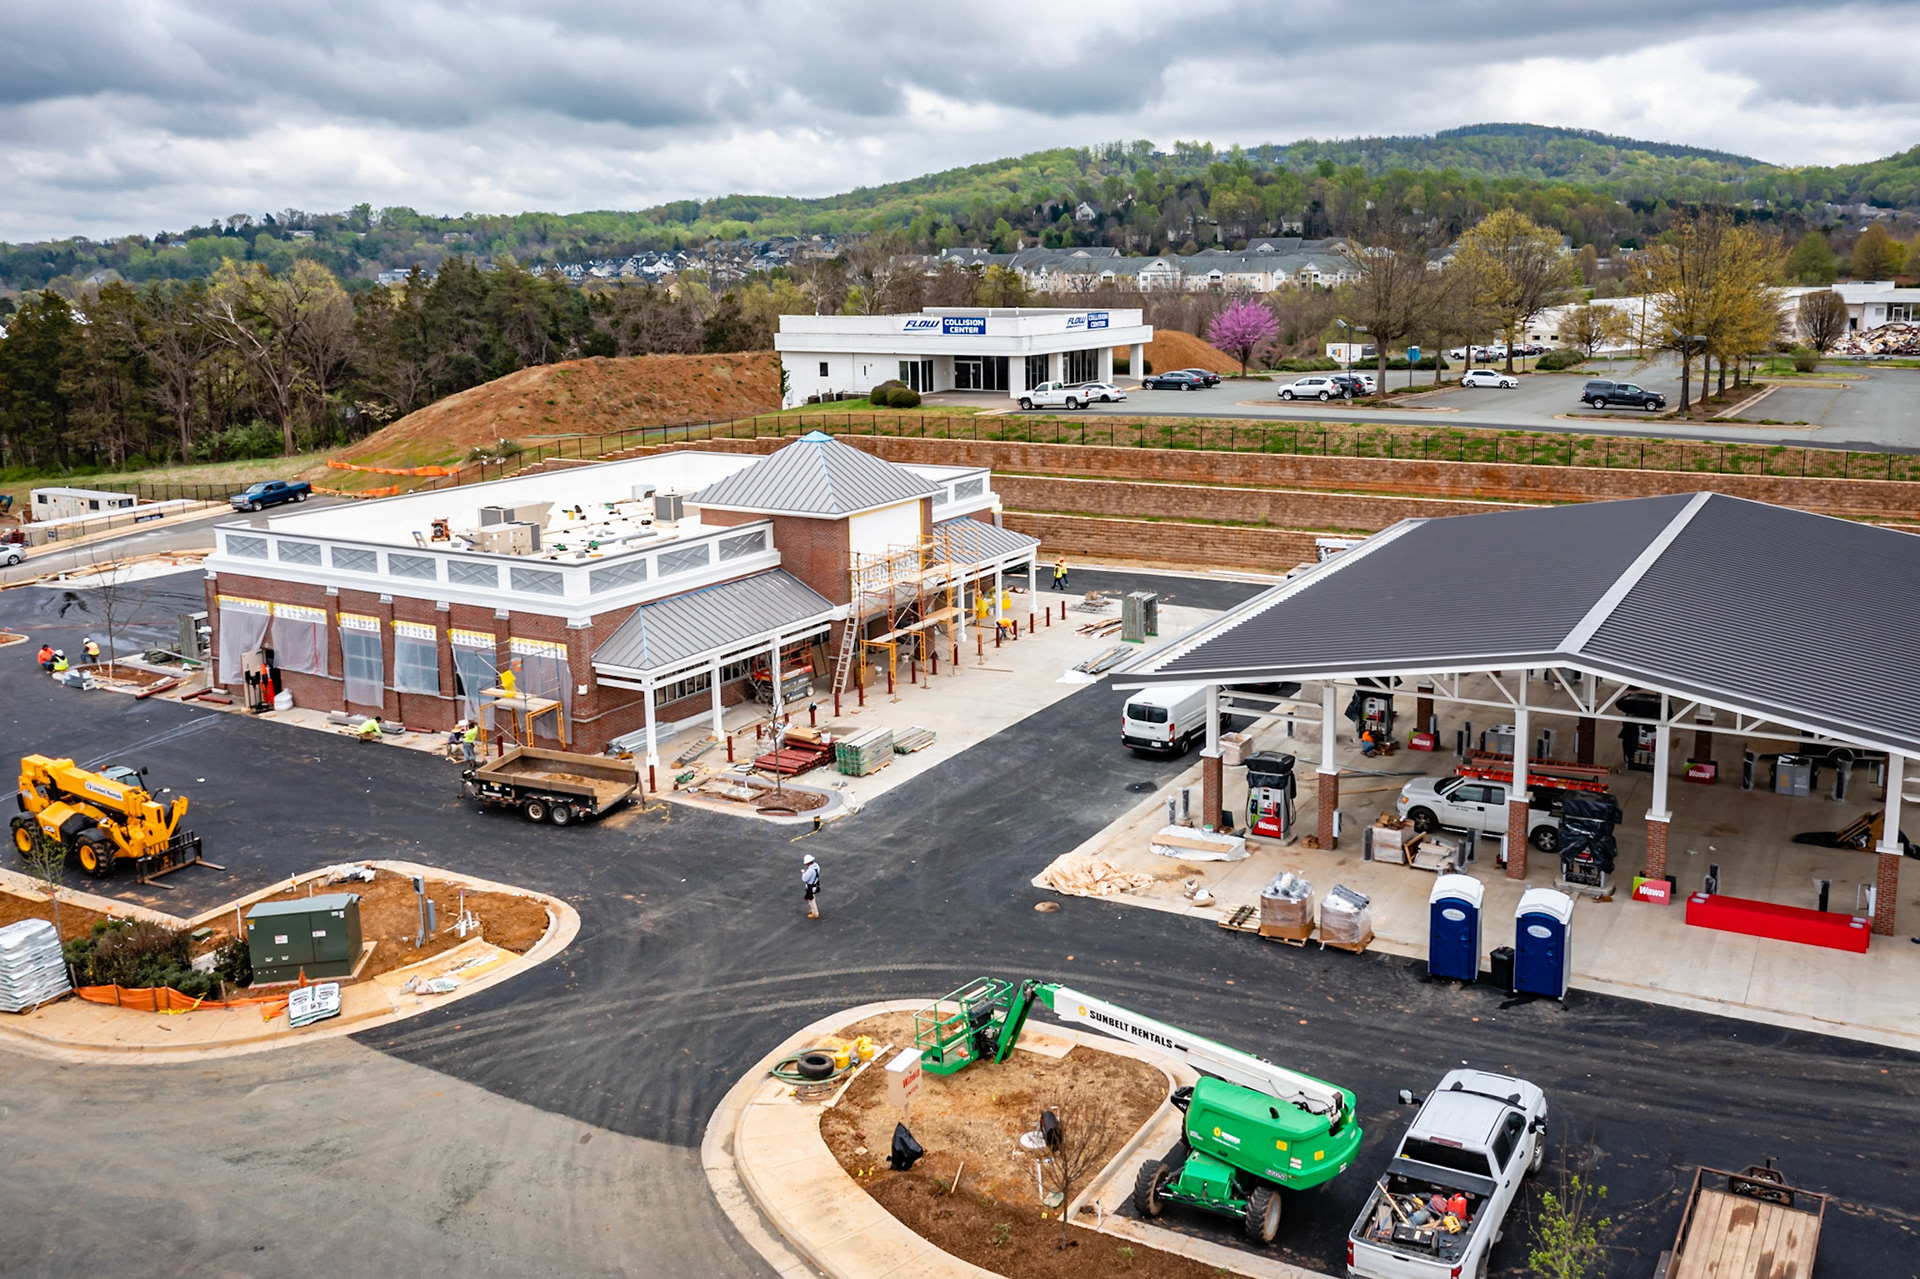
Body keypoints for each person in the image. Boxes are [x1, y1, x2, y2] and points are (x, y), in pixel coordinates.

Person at [801, 853, 821, 920]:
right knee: (813, 898)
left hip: (810, 887)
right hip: (815, 884)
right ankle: (813, 909)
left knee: (811, 900)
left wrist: (804, 873)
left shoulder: (810, 870)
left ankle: (815, 913)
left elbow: (804, 879)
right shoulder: (816, 866)